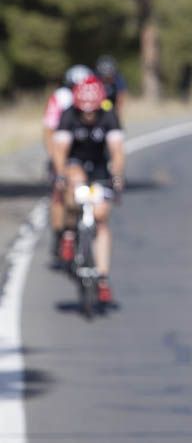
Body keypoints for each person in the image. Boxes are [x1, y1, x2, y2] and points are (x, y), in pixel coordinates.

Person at [52, 75, 125, 305]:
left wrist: (117, 176)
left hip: (100, 169)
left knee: (101, 217)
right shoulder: (69, 115)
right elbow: (60, 150)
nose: (88, 115)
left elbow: (117, 151)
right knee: (74, 185)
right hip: (75, 164)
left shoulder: (109, 116)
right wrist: (61, 174)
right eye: (84, 110)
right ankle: (69, 233)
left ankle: (102, 278)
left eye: (92, 110)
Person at [42, 65, 92, 265]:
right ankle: (58, 236)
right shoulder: (61, 98)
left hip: (86, 151)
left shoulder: (96, 98)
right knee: (59, 192)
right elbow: (48, 129)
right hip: (63, 150)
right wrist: (55, 159)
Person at [95, 54, 128, 119]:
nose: (107, 78)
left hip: (112, 102)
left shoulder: (118, 78)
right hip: (98, 102)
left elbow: (121, 95)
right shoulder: (95, 78)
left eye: (109, 75)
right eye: (104, 76)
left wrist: (117, 113)